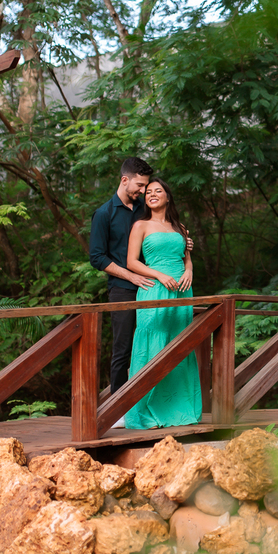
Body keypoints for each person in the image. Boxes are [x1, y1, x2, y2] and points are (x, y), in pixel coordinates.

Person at [122, 177, 201, 429]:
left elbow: (186, 258)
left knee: (179, 343)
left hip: (182, 291)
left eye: (158, 191)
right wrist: (159, 275)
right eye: (148, 192)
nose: (152, 195)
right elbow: (132, 262)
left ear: (168, 196)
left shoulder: (180, 227)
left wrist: (189, 271)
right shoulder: (141, 225)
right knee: (151, 345)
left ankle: (177, 409)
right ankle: (143, 412)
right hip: (154, 289)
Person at [88, 157, 155, 419]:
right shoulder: (104, 214)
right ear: (124, 180)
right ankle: (118, 413)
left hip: (151, 287)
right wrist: (130, 276)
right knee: (122, 349)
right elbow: (97, 257)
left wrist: (184, 241)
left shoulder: (144, 209)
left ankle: (148, 406)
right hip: (121, 289)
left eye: (146, 185)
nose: (143, 190)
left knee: (151, 345)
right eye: (140, 185)